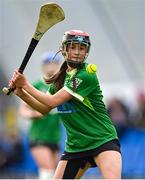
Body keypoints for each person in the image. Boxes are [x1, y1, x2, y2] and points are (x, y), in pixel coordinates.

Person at [9, 30, 122, 179]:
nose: (77, 52)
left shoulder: (86, 74)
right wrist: (21, 93)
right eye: (73, 47)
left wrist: (25, 84)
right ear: (64, 49)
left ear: (86, 51)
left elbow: (52, 101)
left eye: (81, 48)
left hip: (102, 140)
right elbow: (44, 109)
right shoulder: (60, 78)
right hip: (76, 147)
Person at [19, 52, 62, 179]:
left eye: (55, 63)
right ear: (42, 66)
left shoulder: (61, 87)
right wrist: (35, 114)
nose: (52, 66)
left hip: (55, 137)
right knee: (47, 172)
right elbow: (23, 111)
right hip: (38, 136)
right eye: (48, 63)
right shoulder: (35, 86)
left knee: (56, 175)